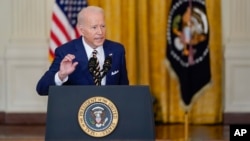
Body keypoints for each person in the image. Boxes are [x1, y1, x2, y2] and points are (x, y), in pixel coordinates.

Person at [36, 6, 129, 95]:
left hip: (110, 109)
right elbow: (41, 89)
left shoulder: (117, 50)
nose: (100, 32)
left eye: (103, 26)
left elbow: (124, 89)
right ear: (82, 30)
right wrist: (61, 75)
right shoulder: (65, 52)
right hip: (78, 110)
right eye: (94, 27)